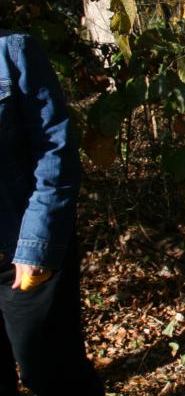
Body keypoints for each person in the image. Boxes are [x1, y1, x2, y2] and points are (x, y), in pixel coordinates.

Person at [0, 30, 103, 395]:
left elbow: (55, 152)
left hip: (23, 250)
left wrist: (36, 245)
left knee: (51, 373)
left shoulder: (12, 51)